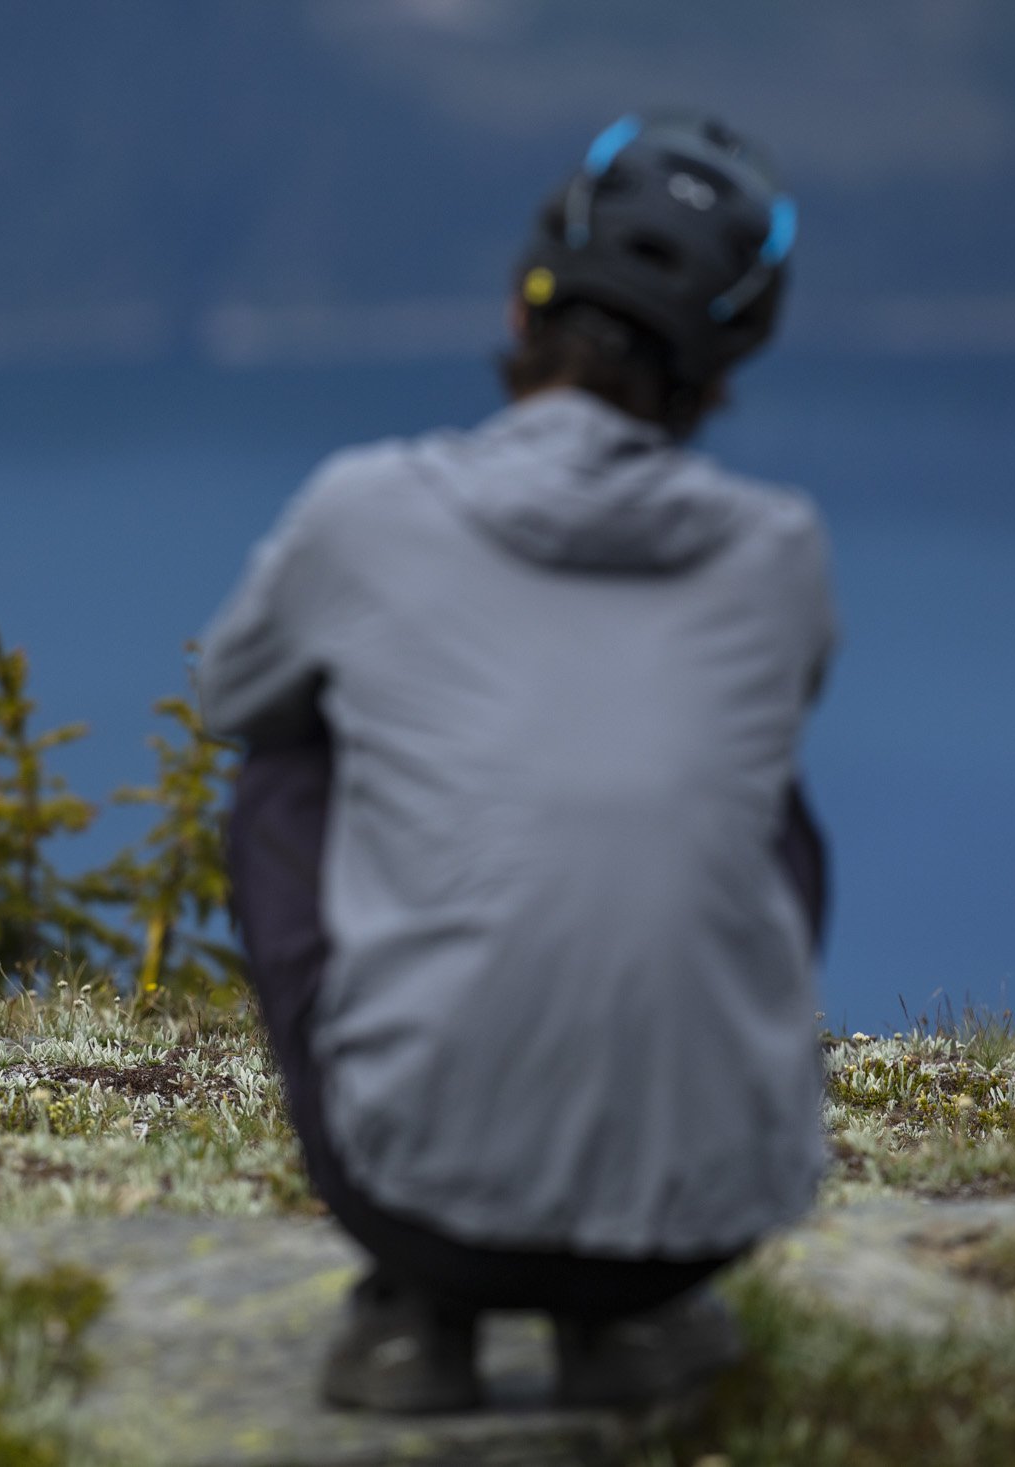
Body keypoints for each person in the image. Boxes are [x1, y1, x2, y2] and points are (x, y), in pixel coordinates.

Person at [195, 112, 836, 1415]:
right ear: (729, 361)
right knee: (761, 803)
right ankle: (635, 1325)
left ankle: (416, 1320)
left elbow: (228, 695)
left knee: (284, 766)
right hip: (704, 1221)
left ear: (523, 301)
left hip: (422, 1207)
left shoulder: (364, 510)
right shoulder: (780, 555)